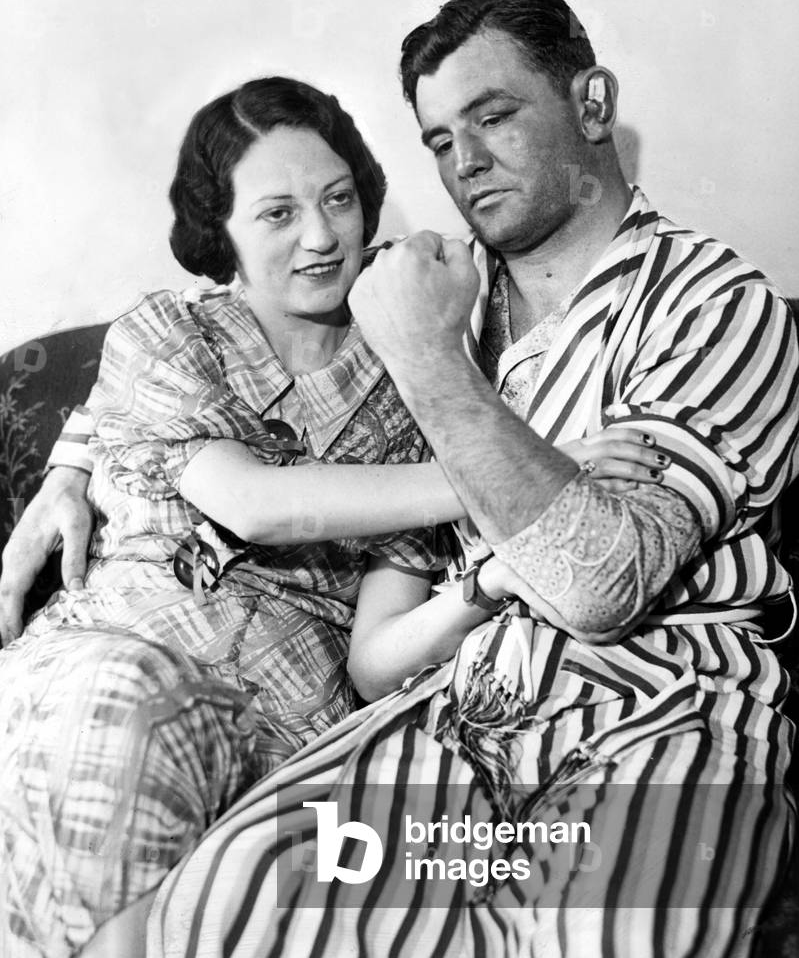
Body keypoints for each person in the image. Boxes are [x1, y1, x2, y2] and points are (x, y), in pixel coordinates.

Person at [122, 0, 796, 958]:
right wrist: (78, 461)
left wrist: (429, 364)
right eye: (439, 140)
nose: (464, 162)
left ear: (591, 104)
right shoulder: (435, 303)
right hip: (456, 722)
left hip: (650, 717)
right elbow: (369, 641)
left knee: (605, 935)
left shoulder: (713, 306)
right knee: (224, 906)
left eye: (493, 116)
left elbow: (600, 581)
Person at [0, 74, 661, 958]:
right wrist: (531, 472)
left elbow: (382, 647)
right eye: (276, 214)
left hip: (284, 732)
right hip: (103, 669)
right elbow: (251, 502)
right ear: (219, 232)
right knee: (114, 716)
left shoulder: (420, 374)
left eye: (339, 199)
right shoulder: (166, 334)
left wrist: (492, 560)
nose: (321, 237)